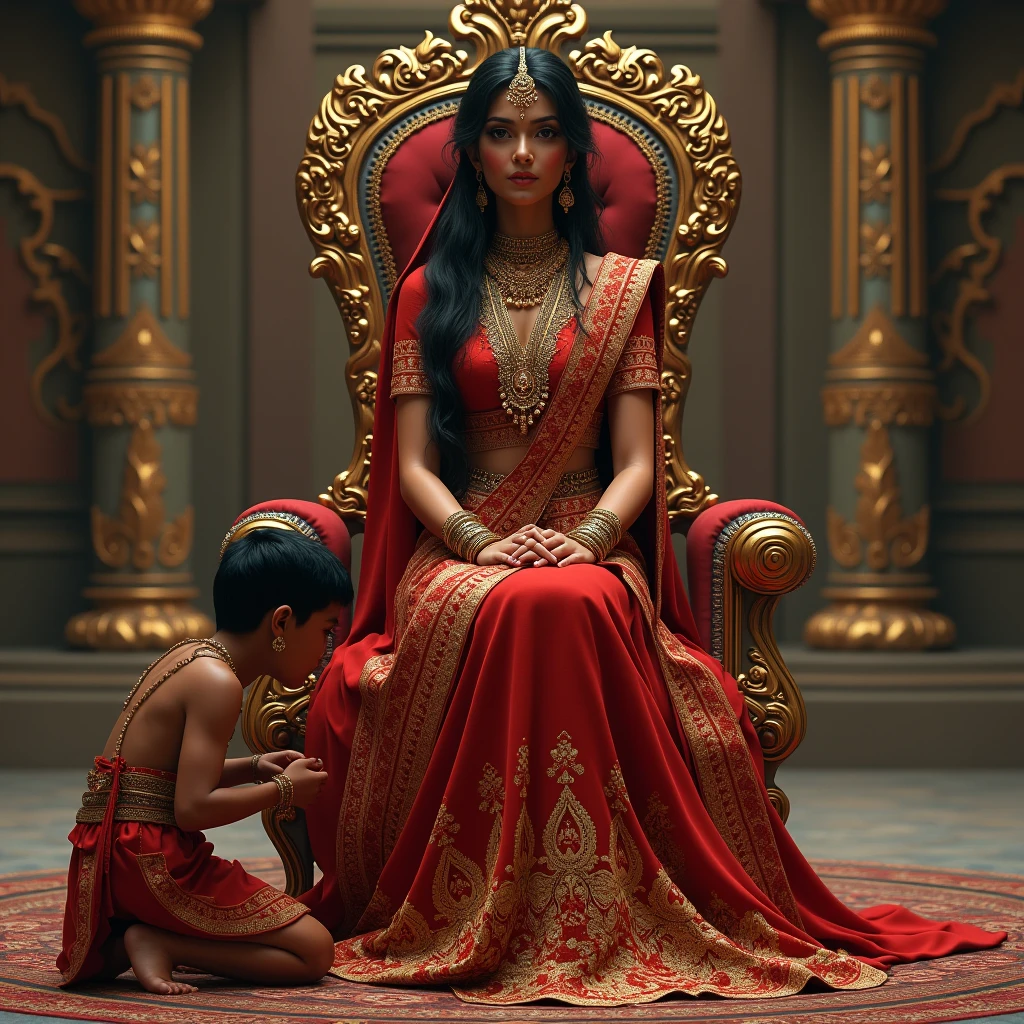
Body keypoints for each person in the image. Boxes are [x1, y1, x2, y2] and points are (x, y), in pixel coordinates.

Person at [300, 46, 1004, 1006]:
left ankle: (601, 900)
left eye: (545, 133)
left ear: (574, 153)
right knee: (522, 600)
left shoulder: (623, 286)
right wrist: (479, 542)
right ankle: (490, 901)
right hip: (463, 542)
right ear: (470, 151)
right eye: (501, 133)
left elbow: (640, 464)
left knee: (569, 600)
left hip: (590, 534)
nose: (522, 153)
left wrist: (588, 537)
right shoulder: (429, 294)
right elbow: (411, 467)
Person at [58, 513, 352, 995]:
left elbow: (161, 779)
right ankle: (162, 942)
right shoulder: (218, 684)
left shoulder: (192, 655)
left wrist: (254, 766)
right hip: (152, 860)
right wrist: (283, 790)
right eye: (324, 630)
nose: (327, 648)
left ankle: (134, 938)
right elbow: (191, 808)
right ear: (281, 621)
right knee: (314, 950)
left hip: (114, 854)